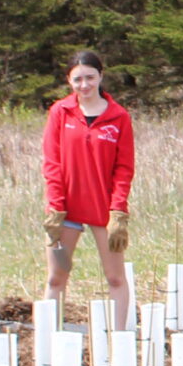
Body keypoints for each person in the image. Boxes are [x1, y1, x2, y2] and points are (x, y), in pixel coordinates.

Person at [42, 50, 135, 330]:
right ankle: (50, 339)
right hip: (66, 211)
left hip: (104, 212)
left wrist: (118, 210)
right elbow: (52, 162)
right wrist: (55, 207)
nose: (84, 85)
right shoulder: (60, 112)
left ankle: (118, 338)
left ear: (101, 76)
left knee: (115, 277)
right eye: (78, 79)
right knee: (57, 276)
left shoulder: (118, 117)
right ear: (69, 81)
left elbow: (124, 168)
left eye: (90, 78)